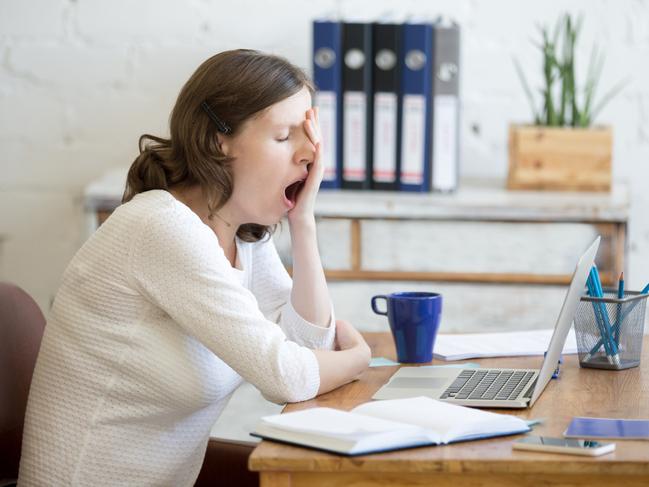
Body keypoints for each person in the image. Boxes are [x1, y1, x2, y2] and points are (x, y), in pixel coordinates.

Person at [18, 49, 371, 486]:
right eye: (283, 137)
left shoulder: (239, 233)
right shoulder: (161, 227)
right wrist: (359, 358)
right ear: (216, 140)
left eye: (308, 135)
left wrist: (303, 221)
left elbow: (307, 343)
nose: (308, 155)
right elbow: (288, 376)